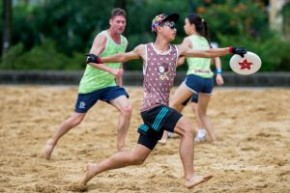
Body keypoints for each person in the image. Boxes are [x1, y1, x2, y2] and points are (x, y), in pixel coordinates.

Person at [74, 13, 246, 190]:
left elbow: (207, 52)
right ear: (158, 28)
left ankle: (94, 168)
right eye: (170, 25)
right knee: (189, 130)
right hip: (152, 108)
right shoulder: (145, 49)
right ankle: (189, 177)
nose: (174, 28)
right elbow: (122, 56)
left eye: (175, 25)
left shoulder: (177, 50)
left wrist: (231, 50)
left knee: (137, 157)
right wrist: (100, 59)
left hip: (157, 110)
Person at [40, 8, 132, 160]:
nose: (121, 24)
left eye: (123, 22)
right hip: (91, 85)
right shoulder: (102, 38)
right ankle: (51, 142)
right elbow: (90, 60)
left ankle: (121, 148)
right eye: (118, 21)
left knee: (127, 109)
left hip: (109, 85)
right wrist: (110, 70)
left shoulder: (124, 41)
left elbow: (119, 64)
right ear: (111, 22)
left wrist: (120, 86)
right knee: (77, 119)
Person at [160, 13, 225, 144]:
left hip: (195, 77)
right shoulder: (205, 40)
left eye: (185, 24)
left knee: (171, 105)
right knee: (202, 113)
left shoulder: (188, 40)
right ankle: (215, 140)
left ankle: (163, 137)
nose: (184, 26)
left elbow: (178, 60)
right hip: (208, 80)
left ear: (192, 26)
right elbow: (214, 57)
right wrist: (218, 73)